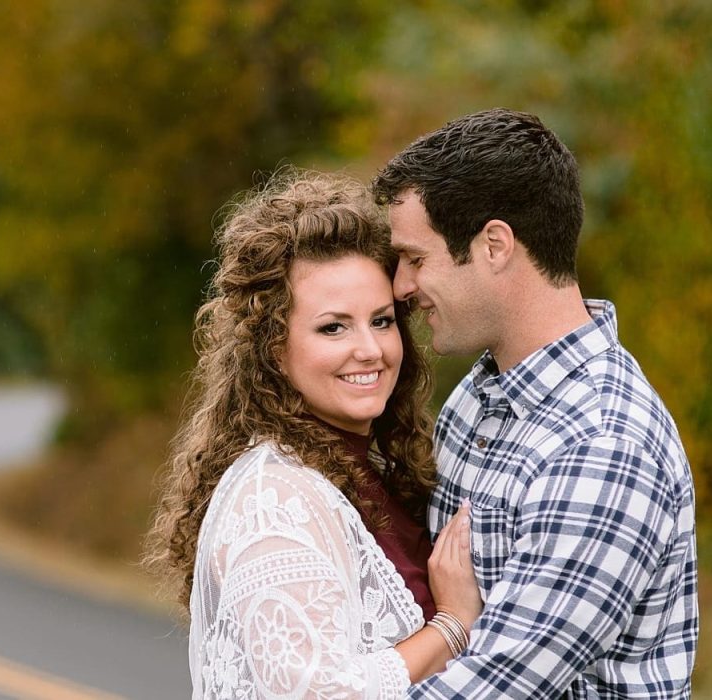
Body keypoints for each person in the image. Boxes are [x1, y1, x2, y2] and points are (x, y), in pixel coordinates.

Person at [372, 108, 699, 698]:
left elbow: (496, 688)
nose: (400, 286)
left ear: (494, 244)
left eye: (416, 259)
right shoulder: (476, 399)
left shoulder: (603, 443)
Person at [145, 170, 484, 699]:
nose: (370, 350)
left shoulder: (371, 475)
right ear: (274, 348)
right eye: (333, 327)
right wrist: (453, 627)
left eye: (381, 320)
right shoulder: (273, 500)